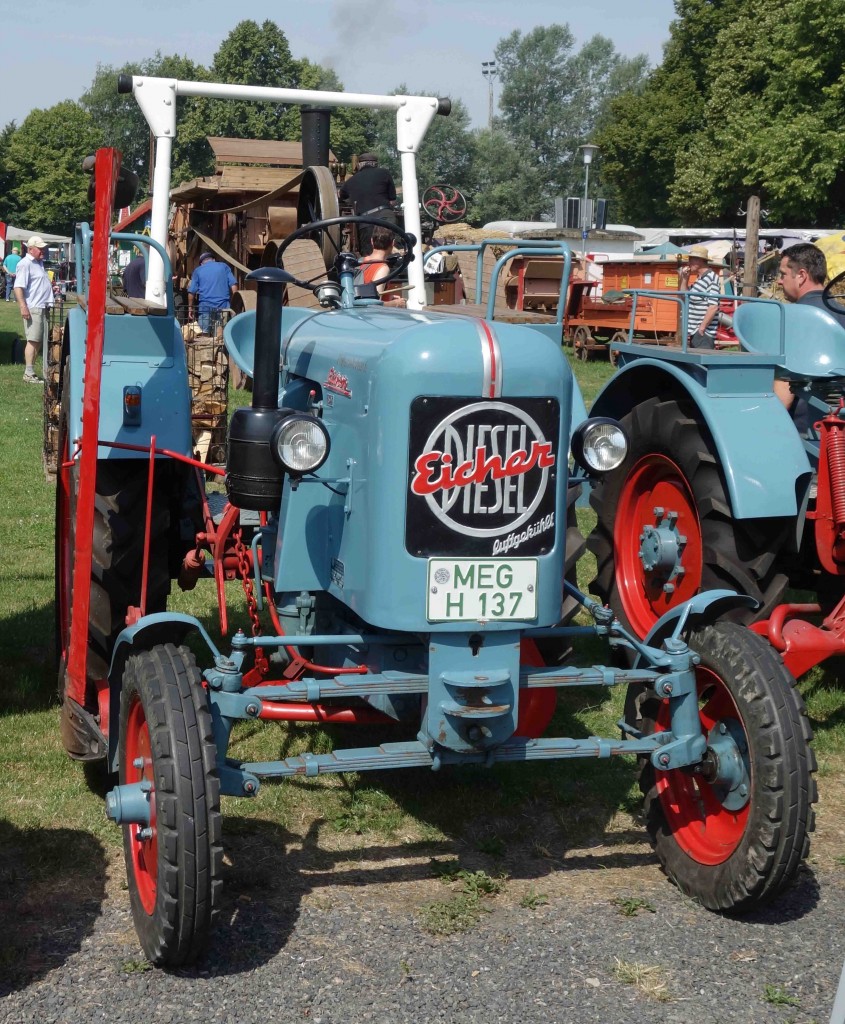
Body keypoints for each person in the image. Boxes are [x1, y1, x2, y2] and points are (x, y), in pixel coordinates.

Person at [774, 243, 845, 428]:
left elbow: (784, 388)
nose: (779, 281)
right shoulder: (841, 312)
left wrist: (766, 426)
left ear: (801, 276)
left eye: (783, 274)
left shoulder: (794, 318)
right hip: (838, 424)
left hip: (805, 430)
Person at [338, 152, 398, 255]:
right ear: (375, 164)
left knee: (371, 256)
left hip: (366, 222)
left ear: (359, 165)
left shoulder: (351, 181)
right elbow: (392, 200)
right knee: (393, 253)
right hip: (387, 217)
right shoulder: (384, 173)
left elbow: (340, 196)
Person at [14, 235, 55, 383]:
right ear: (31, 249)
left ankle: (31, 372)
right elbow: (18, 287)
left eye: (44, 248)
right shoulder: (25, 264)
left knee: (38, 340)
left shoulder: (39, 262)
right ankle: (28, 373)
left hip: (42, 306)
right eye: (40, 248)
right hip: (33, 307)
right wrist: (23, 306)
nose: (43, 250)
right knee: (33, 340)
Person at [353, 225, 407, 308]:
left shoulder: (361, 261)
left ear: (371, 241)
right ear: (393, 243)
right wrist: (396, 303)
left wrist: (389, 297)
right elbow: (374, 304)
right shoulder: (382, 268)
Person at [678, 245, 720, 349]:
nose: (689, 263)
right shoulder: (699, 279)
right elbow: (684, 295)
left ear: (700, 260)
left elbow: (713, 306)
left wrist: (702, 328)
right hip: (695, 332)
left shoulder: (711, 278)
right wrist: (684, 278)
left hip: (703, 334)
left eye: (691, 260)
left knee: (700, 364)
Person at [187, 252, 237, 334]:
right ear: (214, 260)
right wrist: (235, 302)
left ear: (201, 263)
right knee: (221, 336)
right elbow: (233, 284)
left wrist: (190, 308)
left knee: (203, 336)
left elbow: (191, 292)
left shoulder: (198, 270)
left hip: (205, 308)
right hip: (223, 307)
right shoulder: (224, 267)